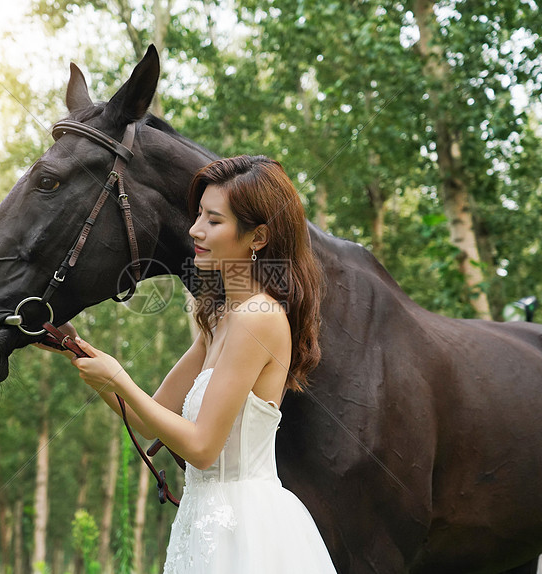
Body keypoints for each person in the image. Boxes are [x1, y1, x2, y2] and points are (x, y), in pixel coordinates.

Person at [37, 155, 336, 573]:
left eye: (214, 221)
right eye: (198, 215)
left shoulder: (259, 318)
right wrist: (78, 352)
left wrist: (120, 378)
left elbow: (201, 447)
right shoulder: (219, 319)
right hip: (201, 526)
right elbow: (149, 418)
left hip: (246, 532)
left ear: (258, 237)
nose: (195, 230)